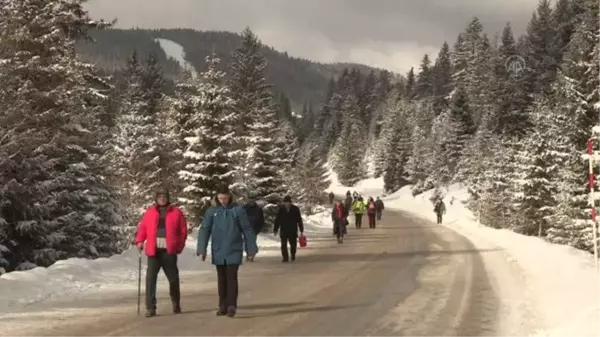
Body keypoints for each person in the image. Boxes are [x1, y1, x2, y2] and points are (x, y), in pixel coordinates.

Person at [196, 186, 258, 318]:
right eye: (220, 198)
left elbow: (247, 229)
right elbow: (205, 230)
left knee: (231, 277)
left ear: (230, 197)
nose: (223, 200)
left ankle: (231, 305)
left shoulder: (237, 210)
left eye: (225, 198)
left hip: (234, 249)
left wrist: (251, 249)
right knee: (221, 278)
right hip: (218, 250)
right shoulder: (212, 212)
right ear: (216, 198)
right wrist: (202, 249)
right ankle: (222, 305)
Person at [135, 188, 188, 318]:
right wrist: (140, 240)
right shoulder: (150, 212)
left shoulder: (176, 212)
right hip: (154, 251)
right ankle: (150, 307)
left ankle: (176, 303)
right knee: (150, 280)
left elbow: (183, 231)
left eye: (164, 196)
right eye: (160, 197)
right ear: (156, 199)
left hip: (169, 251)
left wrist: (179, 246)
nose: (162, 198)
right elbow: (143, 228)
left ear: (168, 198)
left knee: (173, 279)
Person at [274, 195, 304, 262]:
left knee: (293, 244)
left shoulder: (295, 209)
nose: (286, 204)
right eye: (285, 202)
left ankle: (293, 254)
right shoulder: (281, 209)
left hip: (292, 229)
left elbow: (299, 220)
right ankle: (285, 258)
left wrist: (301, 229)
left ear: (290, 202)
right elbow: (277, 220)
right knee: (283, 245)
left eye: (288, 202)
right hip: (284, 229)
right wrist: (275, 229)